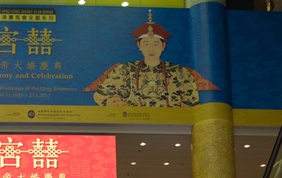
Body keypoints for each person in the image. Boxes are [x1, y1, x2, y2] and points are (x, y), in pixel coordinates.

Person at [83, 11, 217, 108]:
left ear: (163, 46)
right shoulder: (124, 70)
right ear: (139, 46)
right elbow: (100, 97)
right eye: (146, 44)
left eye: (156, 44)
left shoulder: (179, 72)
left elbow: (192, 104)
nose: (151, 50)